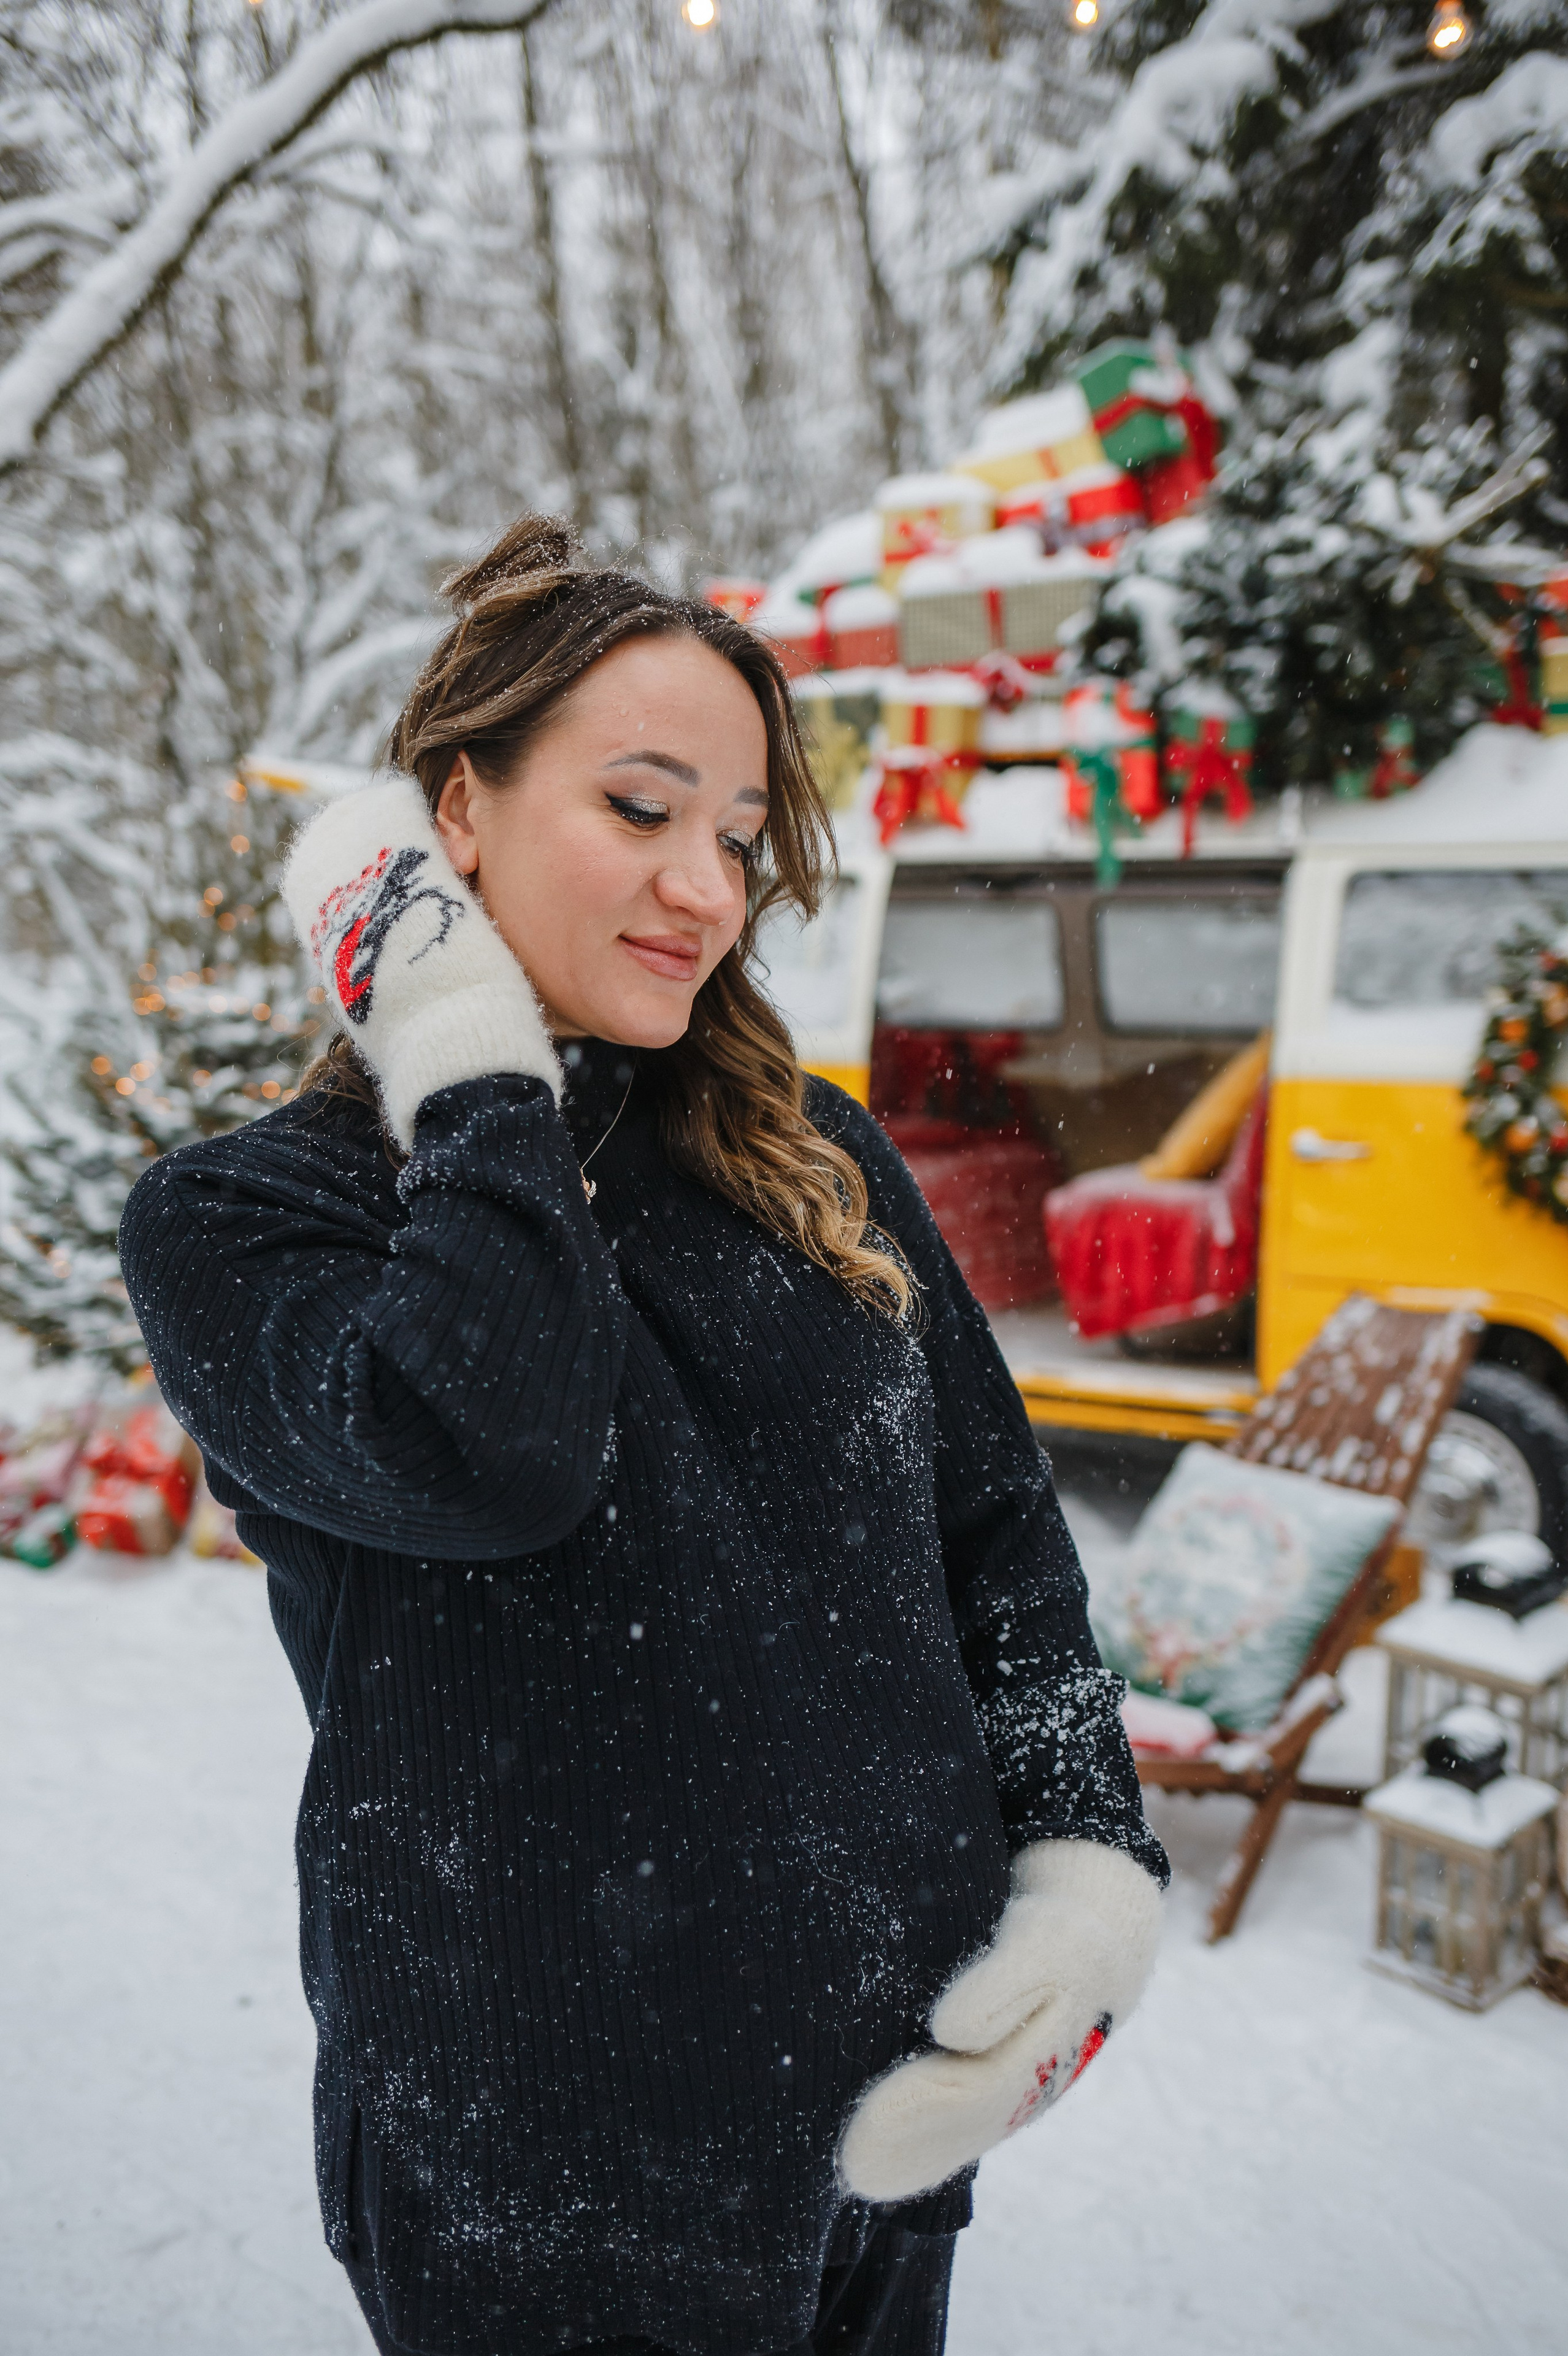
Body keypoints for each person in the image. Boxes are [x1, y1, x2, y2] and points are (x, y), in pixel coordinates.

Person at [120, 515, 1167, 2356]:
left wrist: (1085, 1868)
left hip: (886, 2137)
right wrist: (460, 1038)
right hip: (554, 2195)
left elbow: (995, 1536)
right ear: (451, 817)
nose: (706, 885)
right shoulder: (252, 1220)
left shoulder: (818, 1158)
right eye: (640, 808)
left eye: (743, 835)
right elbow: (495, 1444)